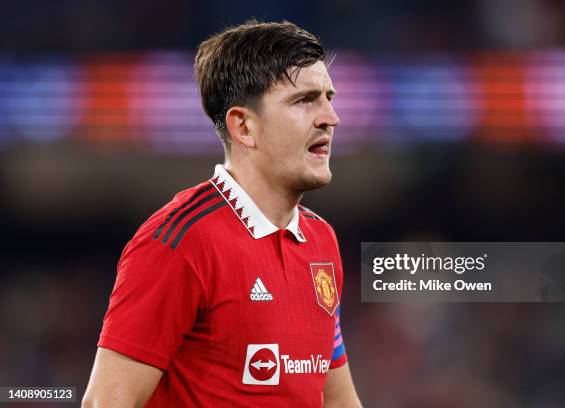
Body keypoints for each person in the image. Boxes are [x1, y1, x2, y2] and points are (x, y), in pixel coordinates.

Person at [82, 20, 361, 408]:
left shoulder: (321, 240)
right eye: (305, 100)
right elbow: (105, 403)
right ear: (243, 126)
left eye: (329, 97)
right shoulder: (178, 241)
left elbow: (336, 400)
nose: (331, 117)